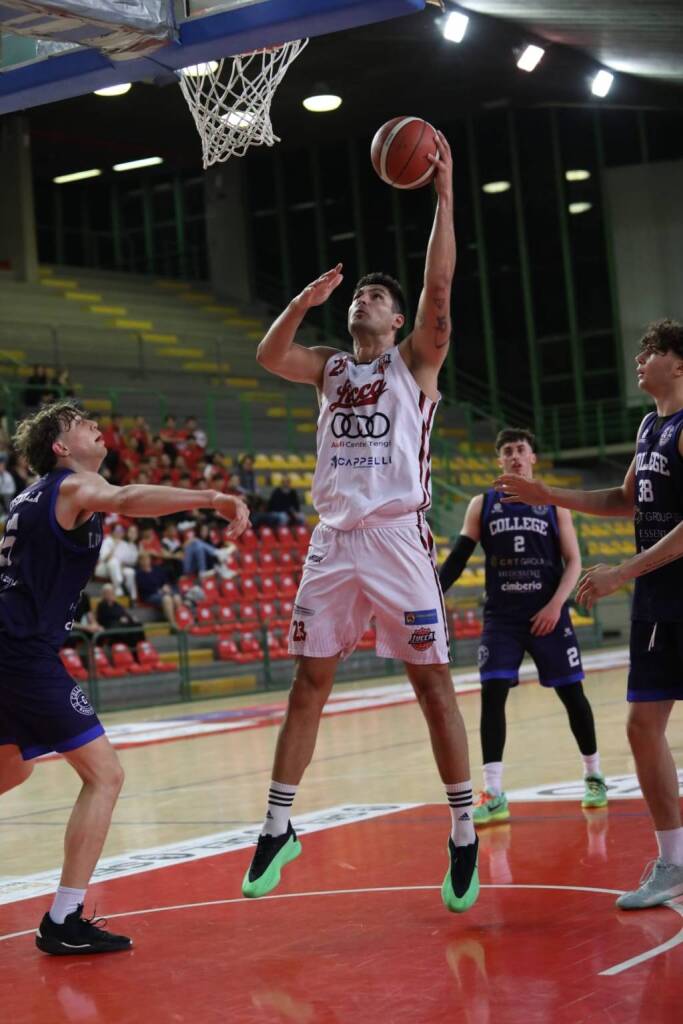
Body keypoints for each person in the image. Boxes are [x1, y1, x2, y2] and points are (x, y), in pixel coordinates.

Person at [243, 132, 478, 914]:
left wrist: (443, 197)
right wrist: (301, 304)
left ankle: (462, 827)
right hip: (333, 542)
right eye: (356, 297)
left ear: (401, 319)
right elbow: (269, 355)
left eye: (375, 297)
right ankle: (278, 824)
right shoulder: (329, 365)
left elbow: (439, 288)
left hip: (396, 539)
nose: (361, 302)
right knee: (308, 682)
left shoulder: (412, 364)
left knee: (430, 684)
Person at [0, 400, 249, 954]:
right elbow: (127, 498)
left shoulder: (30, 497)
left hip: (13, 647)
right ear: (62, 448)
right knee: (105, 775)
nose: (94, 426)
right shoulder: (69, 487)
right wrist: (211, 497)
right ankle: (63, 920)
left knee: (11, 771)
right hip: (22, 653)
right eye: (81, 424)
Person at [495, 319, 683, 911]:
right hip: (658, 602)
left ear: (678, 364)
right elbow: (622, 500)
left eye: (651, 351)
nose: (639, 358)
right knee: (640, 725)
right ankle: (674, 862)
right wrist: (551, 497)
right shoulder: (650, 426)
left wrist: (622, 572)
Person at [439, 428, 607, 826]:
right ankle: (494, 793)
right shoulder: (483, 504)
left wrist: (555, 605)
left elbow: (574, 562)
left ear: (533, 458)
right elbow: (459, 558)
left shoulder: (553, 504)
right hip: (502, 618)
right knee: (492, 693)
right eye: (508, 451)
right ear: (500, 461)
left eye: (521, 450)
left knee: (573, 695)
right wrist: (432, 593)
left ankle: (594, 775)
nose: (515, 456)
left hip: (547, 612)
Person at [95, 583, 144, 649]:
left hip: (121, 624)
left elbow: (124, 613)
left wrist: (131, 618)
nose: (111, 594)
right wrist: (119, 618)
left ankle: (142, 647)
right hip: (110, 626)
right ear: (104, 594)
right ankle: (132, 650)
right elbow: (105, 618)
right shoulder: (101, 605)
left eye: (112, 592)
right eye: (109, 593)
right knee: (124, 630)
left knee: (137, 624)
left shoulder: (116, 604)